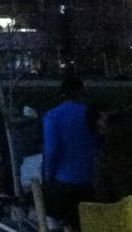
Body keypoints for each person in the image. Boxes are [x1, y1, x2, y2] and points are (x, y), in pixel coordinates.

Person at [43, 74, 99, 226]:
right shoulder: (89, 113)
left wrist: (49, 175)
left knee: (68, 223)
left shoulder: (52, 116)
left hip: (64, 180)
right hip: (89, 177)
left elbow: (51, 150)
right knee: (88, 223)